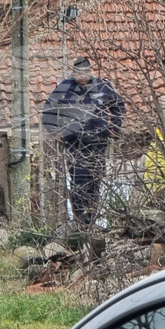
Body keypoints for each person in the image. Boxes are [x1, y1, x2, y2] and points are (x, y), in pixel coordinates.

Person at [42, 57, 125, 224]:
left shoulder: (103, 86)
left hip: (99, 141)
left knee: (95, 179)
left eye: (85, 72)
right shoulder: (65, 87)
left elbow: (118, 106)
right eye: (79, 73)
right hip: (75, 142)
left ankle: (92, 218)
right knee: (79, 181)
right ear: (73, 73)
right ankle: (81, 220)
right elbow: (48, 111)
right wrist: (55, 132)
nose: (82, 76)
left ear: (91, 72)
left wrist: (114, 127)